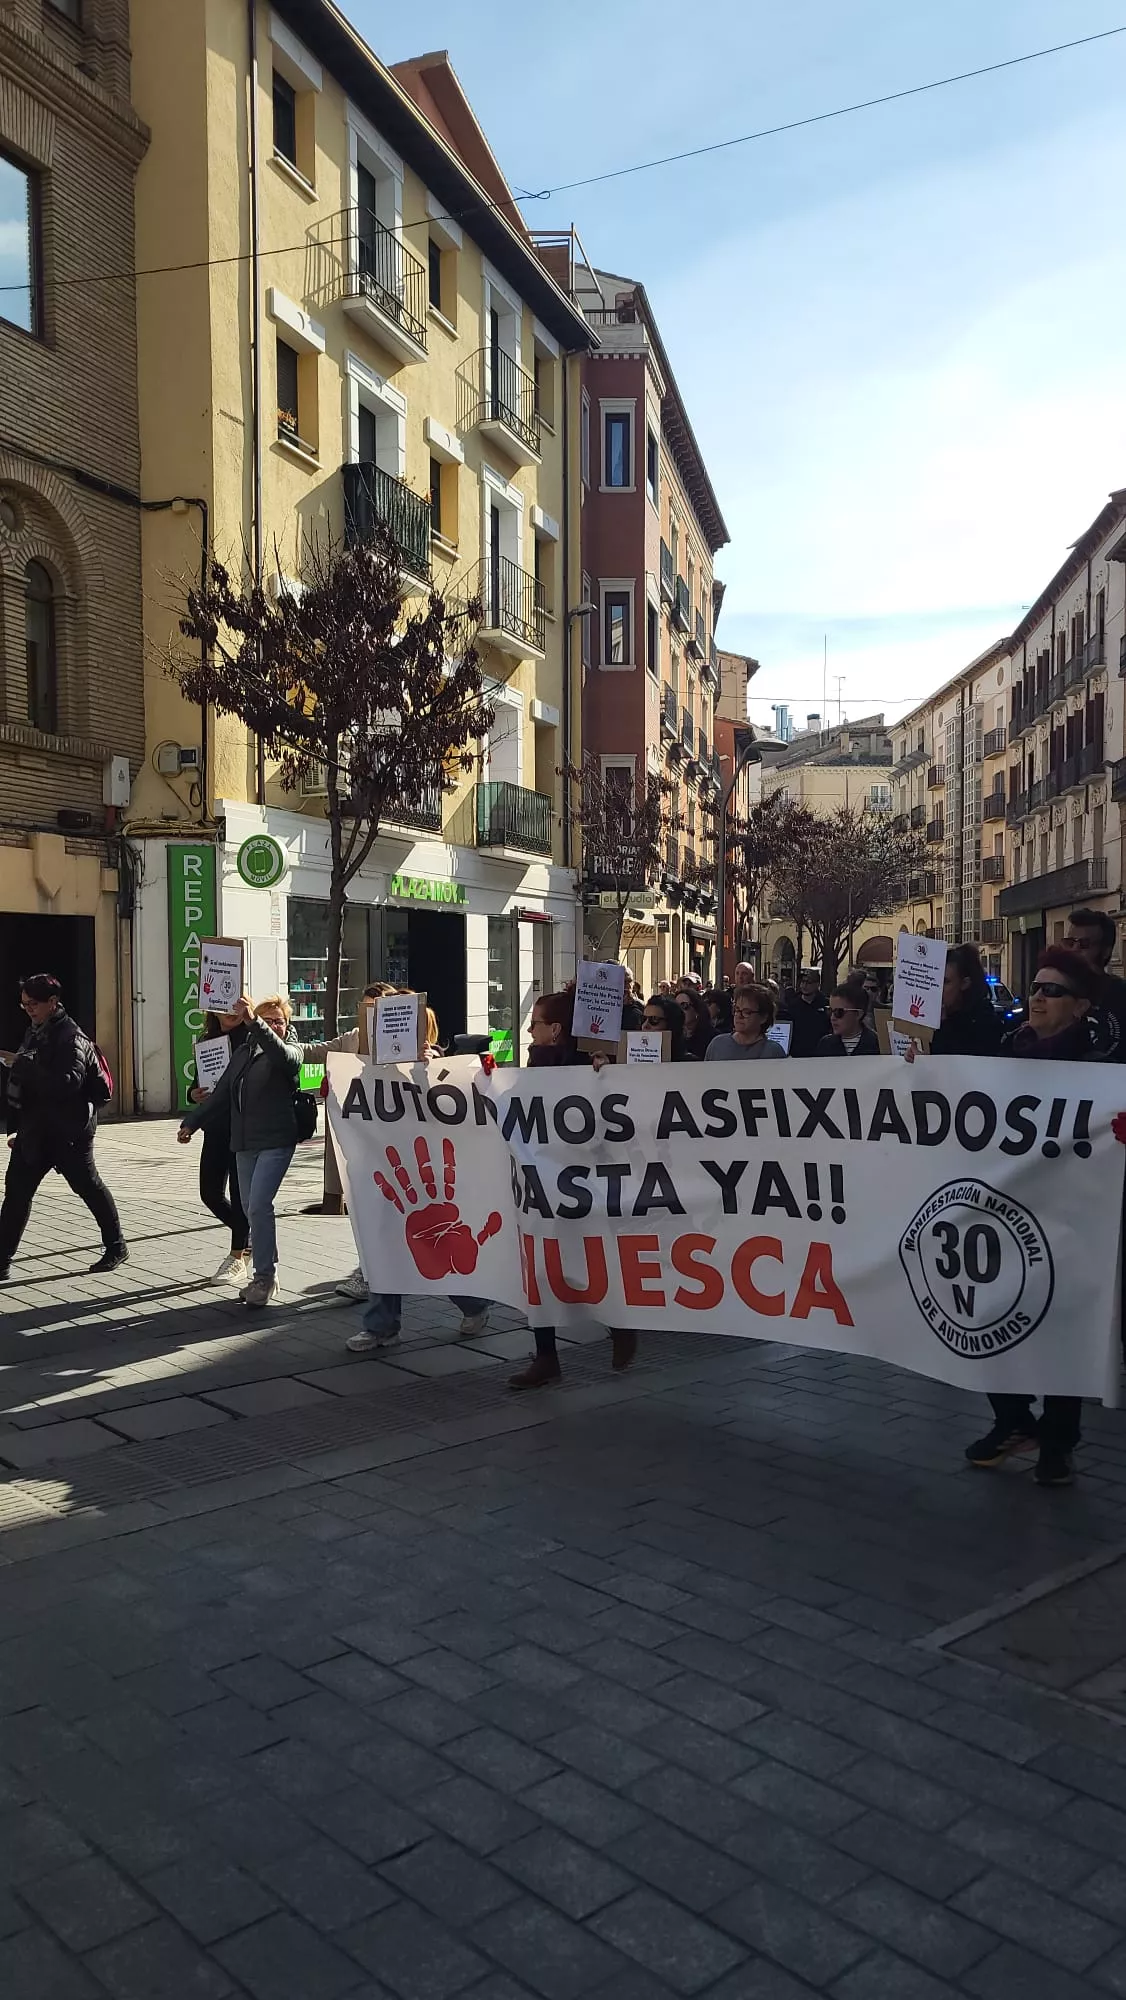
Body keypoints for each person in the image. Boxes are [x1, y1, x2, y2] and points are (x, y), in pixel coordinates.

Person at [965, 947, 1106, 1488]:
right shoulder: (1008, 1049)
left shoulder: (1102, 1066)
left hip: (1074, 1217)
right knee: (984, 1313)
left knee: (1064, 1329)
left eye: (1052, 990)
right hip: (1007, 1213)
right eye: (1037, 987)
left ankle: (1059, 1441)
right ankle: (1014, 1419)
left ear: (1081, 1007)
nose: (1038, 997)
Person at [345, 994, 489, 1354]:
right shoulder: (372, 1067)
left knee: (432, 1247)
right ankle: (381, 1326)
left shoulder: (441, 1066)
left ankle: (473, 1304)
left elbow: (449, 1111)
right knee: (382, 1246)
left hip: (426, 1178)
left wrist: (424, 1070)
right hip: (387, 1173)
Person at [509, 992, 636, 1390]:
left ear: (556, 1030)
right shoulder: (534, 1065)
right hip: (541, 1187)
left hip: (582, 1185)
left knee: (588, 1263)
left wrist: (606, 1074)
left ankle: (620, 1325)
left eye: (537, 1023)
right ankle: (546, 1355)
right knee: (541, 1269)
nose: (530, 1030)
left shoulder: (586, 1068)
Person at [0, 973, 126, 1280]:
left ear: (52, 1003)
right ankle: (2, 1259)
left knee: (89, 1187)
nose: (28, 1009)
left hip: (69, 1132)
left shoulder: (71, 1037)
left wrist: (22, 1064)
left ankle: (116, 1246)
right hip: (36, 1130)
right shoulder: (36, 1031)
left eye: (33, 1004)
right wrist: (17, 1127)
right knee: (16, 1192)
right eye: (24, 1004)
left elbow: (68, 1083)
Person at [178, 995, 302, 1306]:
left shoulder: (288, 1050)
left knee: (259, 1206)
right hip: (244, 1143)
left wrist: (258, 1024)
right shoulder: (245, 1051)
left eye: (280, 1021)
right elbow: (220, 1094)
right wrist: (192, 1121)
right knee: (248, 1209)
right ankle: (265, 1263)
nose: (275, 1025)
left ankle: (263, 1278)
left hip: (275, 1140)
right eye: (269, 1019)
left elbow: (283, 1058)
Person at [189, 1003, 252, 1285]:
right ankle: (251, 1238)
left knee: (240, 1196)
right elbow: (196, 1083)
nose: (231, 1013)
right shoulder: (207, 1041)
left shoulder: (251, 1039)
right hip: (215, 1128)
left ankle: (237, 1255)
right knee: (210, 1194)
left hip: (243, 1128)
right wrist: (195, 1094)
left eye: (237, 1007)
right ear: (212, 1010)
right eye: (224, 1007)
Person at [1063, 906, 1126, 1060]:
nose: (1074, 950)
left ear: (1105, 951)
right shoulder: (1048, 990)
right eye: (1070, 942)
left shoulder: (1121, 994)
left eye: (1084, 944)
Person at [930, 944, 1002, 1056]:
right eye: (935, 980)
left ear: (964, 983)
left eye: (945, 981)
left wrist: (944, 1027)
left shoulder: (984, 1023)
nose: (937, 987)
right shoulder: (934, 1017)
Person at [705, 983, 786, 1061]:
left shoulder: (773, 1052)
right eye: (737, 1010)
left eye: (746, 1012)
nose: (739, 1016)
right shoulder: (717, 1044)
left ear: (763, 1017)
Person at [813, 984, 880, 1056]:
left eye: (839, 1012)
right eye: (829, 1011)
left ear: (858, 1014)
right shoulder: (825, 1044)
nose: (832, 1017)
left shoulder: (877, 1043)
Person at [780, 969, 829, 1058]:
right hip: (798, 1055)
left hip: (821, 1054)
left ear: (817, 984)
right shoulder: (792, 1005)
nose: (804, 985)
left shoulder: (825, 1004)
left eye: (809, 982)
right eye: (802, 982)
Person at [677, 989, 715, 1061]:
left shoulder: (713, 1038)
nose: (679, 1011)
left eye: (684, 1006)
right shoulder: (674, 1038)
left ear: (697, 1010)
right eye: (676, 1006)